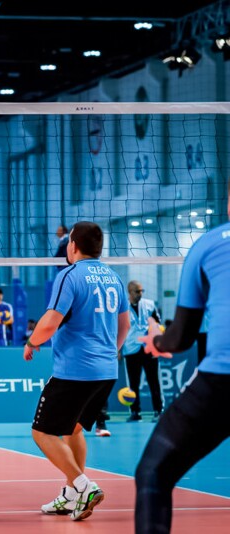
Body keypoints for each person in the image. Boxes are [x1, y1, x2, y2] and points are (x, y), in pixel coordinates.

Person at [135, 190, 230, 533]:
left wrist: (157, 341)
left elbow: (182, 339)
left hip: (221, 383)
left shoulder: (209, 244)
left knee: (153, 473)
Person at [24, 221, 130, 522]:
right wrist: (110, 351)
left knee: (41, 432)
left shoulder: (69, 275)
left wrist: (32, 342)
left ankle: (84, 487)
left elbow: (49, 321)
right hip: (107, 370)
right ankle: (72, 495)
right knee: (73, 429)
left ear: (73, 245)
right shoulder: (113, 276)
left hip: (75, 370)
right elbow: (125, 325)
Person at [122, 280, 163, 422]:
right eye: (137, 291)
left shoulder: (150, 305)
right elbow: (119, 329)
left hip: (149, 349)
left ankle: (158, 411)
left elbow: (158, 323)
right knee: (133, 384)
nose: (140, 294)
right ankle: (135, 412)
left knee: (154, 381)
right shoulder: (122, 307)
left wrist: (156, 332)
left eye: (141, 291)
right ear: (130, 292)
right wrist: (119, 349)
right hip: (131, 349)